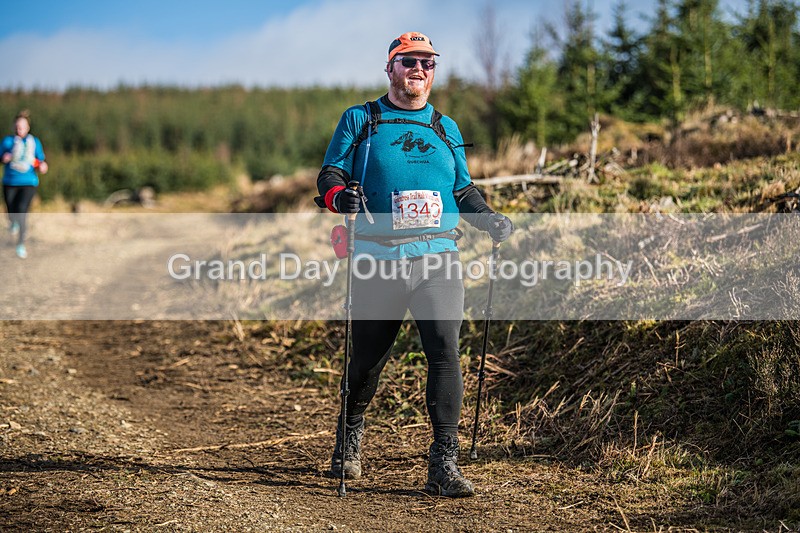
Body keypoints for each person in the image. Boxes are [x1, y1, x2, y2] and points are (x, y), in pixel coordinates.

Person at [315, 31, 513, 497]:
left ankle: (444, 464)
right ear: (390, 68)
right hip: (376, 259)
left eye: (427, 63)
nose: (418, 70)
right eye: (408, 62)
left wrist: (489, 220)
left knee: (445, 352)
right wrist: (339, 196)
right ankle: (349, 438)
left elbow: (463, 191)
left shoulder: (447, 127)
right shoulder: (361, 119)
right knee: (367, 360)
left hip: (438, 258)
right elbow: (329, 175)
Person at [2, 110, 48, 259]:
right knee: (11, 209)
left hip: (29, 182)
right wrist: (4, 158)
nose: (19, 129)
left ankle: (20, 244)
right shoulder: (7, 142)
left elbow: (40, 161)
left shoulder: (34, 142)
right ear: (14, 127)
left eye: (22, 127)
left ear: (27, 128)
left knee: (22, 210)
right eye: (17, 127)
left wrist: (42, 166)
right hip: (10, 182)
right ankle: (13, 222)